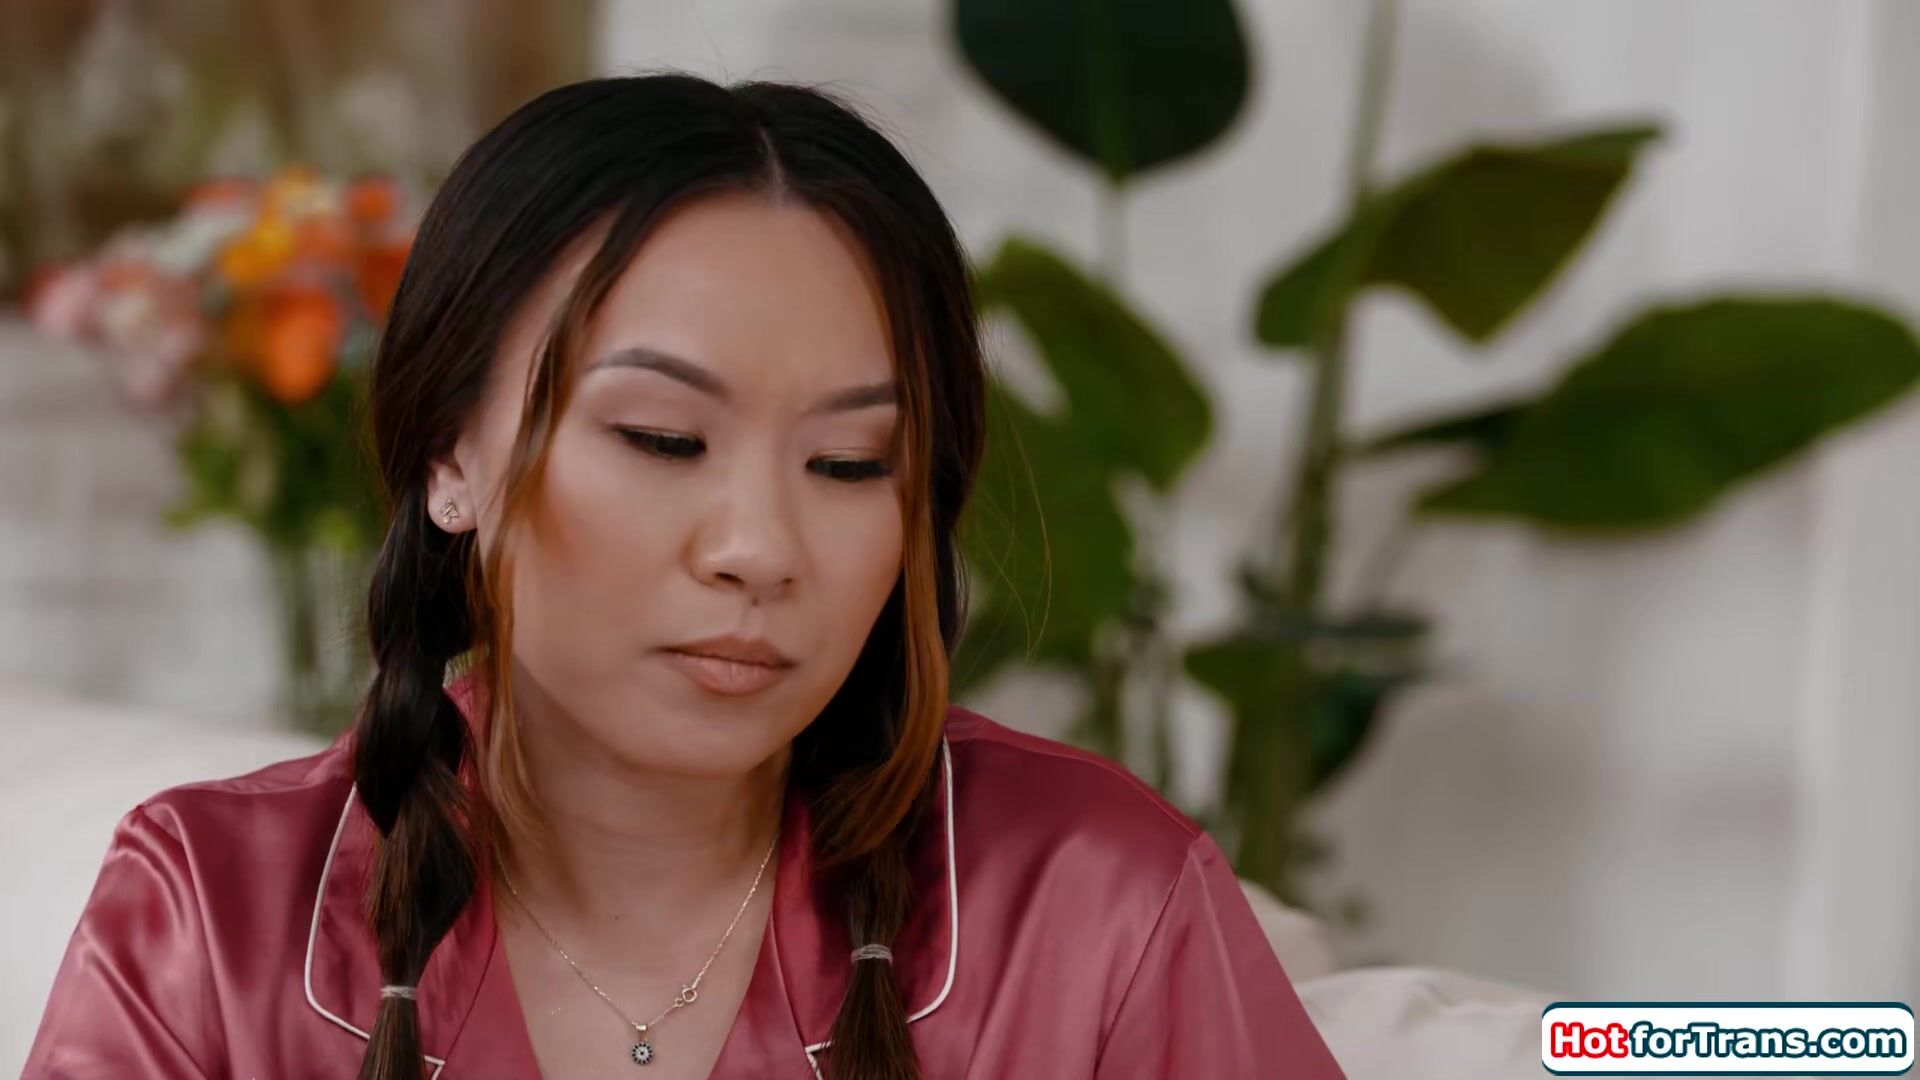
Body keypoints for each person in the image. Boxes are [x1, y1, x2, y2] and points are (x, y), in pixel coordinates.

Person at [23, 72, 1347, 1080]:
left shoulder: (1094, 903)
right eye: (662, 439)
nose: (759, 547)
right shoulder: (211, 920)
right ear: (448, 457)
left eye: (849, 463)